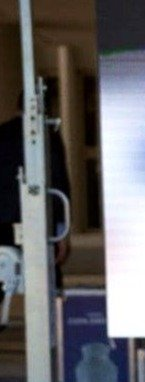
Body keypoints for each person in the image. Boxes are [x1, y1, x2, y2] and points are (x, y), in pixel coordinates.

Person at [0, 92, 71, 288]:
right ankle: (55, 314)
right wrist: (62, 230)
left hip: (4, 220)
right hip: (37, 217)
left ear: (17, 107)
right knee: (49, 277)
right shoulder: (48, 135)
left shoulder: (2, 133)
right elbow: (58, 181)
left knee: (4, 275)